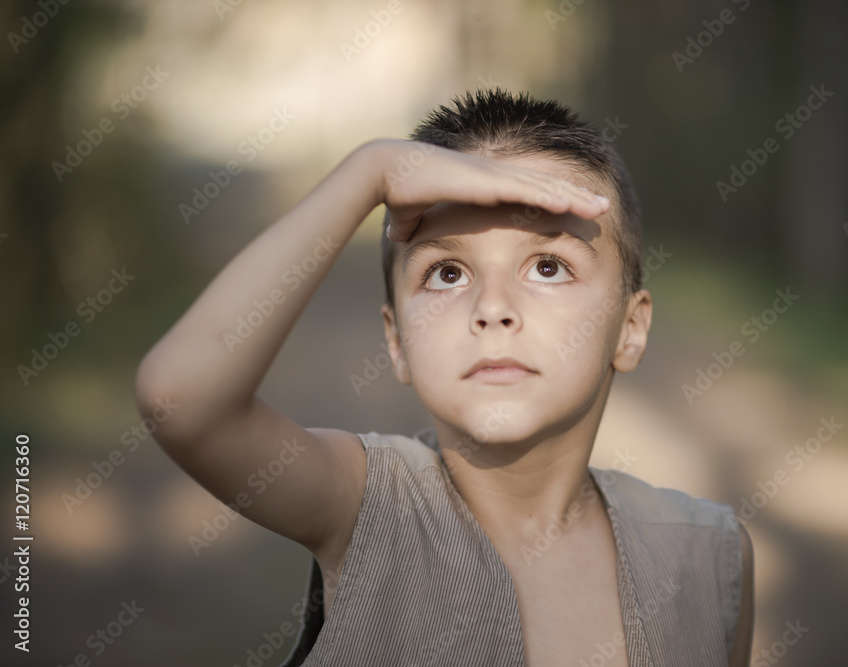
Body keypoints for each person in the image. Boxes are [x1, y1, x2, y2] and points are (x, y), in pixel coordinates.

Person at [134, 87, 754, 666]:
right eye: (447, 274)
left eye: (547, 266)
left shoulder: (710, 555)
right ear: (397, 341)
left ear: (630, 328)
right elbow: (180, 398)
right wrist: (371, 172)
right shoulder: (366, 509)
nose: (493, 307)